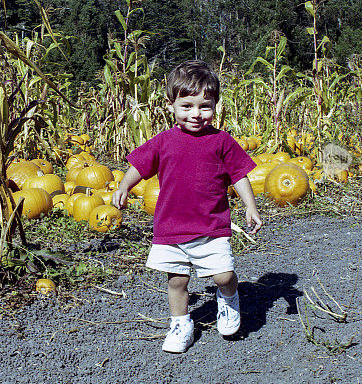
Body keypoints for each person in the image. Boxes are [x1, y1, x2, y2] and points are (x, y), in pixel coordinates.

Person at [112, 60, 263, 353]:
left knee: (222, 275)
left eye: (205, 106)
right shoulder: (164, 141)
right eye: (187, 106)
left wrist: (250, 206)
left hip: (211, 225)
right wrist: (124, 186)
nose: (196, 114)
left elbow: (239, 175)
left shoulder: (221, 141)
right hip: (171, 226)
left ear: (216, 105)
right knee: (177, 281)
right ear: (171, 105)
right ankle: (181, 323)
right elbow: (139, 165)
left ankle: (229, 298)